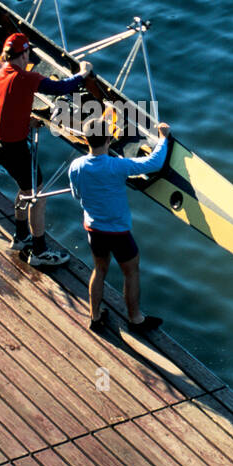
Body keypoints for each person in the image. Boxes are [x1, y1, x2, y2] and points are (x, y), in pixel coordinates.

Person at [0, 32, 92, 267]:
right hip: (14, 148)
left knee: (25, 189)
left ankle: (21, 236)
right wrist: (83, 73)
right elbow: (60, 87)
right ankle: (39, 252)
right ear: (23, 55)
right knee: (38, 196)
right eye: (27, 53)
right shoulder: (26, 78)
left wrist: (27, 121)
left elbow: (5, 105)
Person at [68, 117, 171, 333]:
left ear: (86, 140)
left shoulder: (76, 166)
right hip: (118, 231)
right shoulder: (118, 165)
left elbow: (77, 195)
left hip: (93, 229)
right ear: (108, 139)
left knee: (100, 269)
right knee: (131, 271)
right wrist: (163, 138)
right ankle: (135, 319)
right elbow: (154, 163)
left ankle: (95, 317)